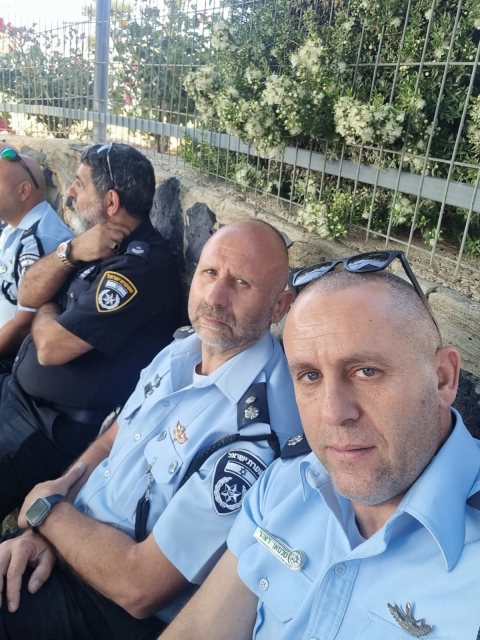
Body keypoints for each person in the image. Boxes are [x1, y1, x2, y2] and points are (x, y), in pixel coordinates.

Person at [0, 219, 303, 640]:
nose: (215, 297)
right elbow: (114, 437)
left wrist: (46, 512)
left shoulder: (257, 434)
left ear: (279, 306)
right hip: (68, 542)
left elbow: (139, 587)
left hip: (108, 611)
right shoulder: (181, 351)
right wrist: (48, 527)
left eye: (241, 283)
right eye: (210, 273)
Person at [158, 251, 480, 640]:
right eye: (309, 376)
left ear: (443, 378)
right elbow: (200, 629)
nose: (332, 412)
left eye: (366, 371)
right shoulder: (285, 483)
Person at [0, 142, 182, 522]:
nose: (68, 191)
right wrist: (70, 251)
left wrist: (47, 310)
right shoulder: (91, 245)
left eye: (79, 184)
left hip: (44, 427)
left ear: (110, 202)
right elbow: (29, 293)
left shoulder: (141, 270)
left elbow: (51, 347)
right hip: (16, 393)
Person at [0, 147, 73, 369]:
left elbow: (24, 325)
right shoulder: (14, 228)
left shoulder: (41, 241)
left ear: (23, 191)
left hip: (9, 359)